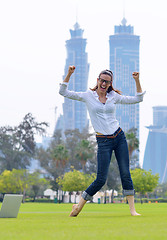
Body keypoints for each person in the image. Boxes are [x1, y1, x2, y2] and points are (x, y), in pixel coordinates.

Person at [59, 66, 145, 217]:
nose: (104, 84)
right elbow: (63, 92)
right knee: (100, 179)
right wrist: (69, 74)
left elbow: (138, 98)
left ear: (111, 84)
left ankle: (133, 210)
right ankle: (78, 207)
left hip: (119, 137)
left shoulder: (114, 97)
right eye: (102, 80)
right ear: (97, 80)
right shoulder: (88, 96)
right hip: (103, 141)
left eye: (108, 82)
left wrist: (137, 80)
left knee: (125, 173)